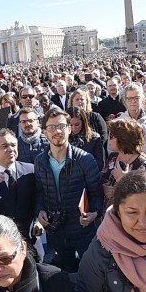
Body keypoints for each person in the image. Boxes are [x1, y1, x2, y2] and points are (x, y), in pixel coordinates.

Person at [34, 108, 103, 272]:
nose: (57, 131)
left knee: (90, 273)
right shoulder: (39, 161)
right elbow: (39, 192)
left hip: (82, 231)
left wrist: (95, 213)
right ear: (44, 132)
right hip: (56, 232)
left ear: (69, 128)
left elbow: (96, 193)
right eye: (51, 127)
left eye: (61, 126)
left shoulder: (85, 159)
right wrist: (40, 210)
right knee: (67, 272)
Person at [102, 117, 146, 208]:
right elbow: (103, 178)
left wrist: (123, 180)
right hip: (113, 215)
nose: (109, 139)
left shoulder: (145, 165)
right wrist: (104, 188)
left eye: (111, 136)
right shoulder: (113, 157)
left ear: (123, 139)